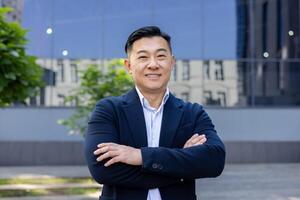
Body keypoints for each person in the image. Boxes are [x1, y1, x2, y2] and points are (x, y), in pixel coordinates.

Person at [85, 26, 225, 200]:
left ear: (172, 63)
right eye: (143, 57)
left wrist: (139, 156)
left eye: (160, 56)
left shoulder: (192, 113)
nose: (153, 64)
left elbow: (214, 161)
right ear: (129, 65)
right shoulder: (109, 110)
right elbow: (102, 170)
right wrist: (181, 168)